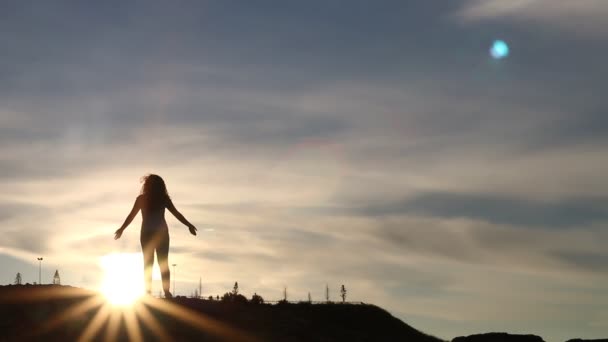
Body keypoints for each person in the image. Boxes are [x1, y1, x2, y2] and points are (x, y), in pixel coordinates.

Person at [114, 174, 197, 298]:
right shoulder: (151, 199)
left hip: (154, 234)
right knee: (157, 263)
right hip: (155, 234)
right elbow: (131, 216)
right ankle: (159, 292)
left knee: (153, 263)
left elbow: (176, 213)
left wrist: (188, 224)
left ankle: (159, 291)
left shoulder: (157, 199)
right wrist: (121, 229)